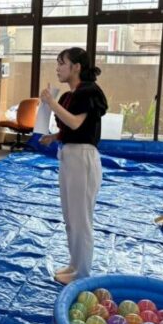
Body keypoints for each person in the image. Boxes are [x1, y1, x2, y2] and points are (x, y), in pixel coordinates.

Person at [38, 47, 108, 285]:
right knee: (70, 216)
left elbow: (77, 123)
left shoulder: (89, 91)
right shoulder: (72, 95)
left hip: (83, 158)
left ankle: (82, 272)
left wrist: (50, 102)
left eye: (62, 63)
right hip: (69, 155)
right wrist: (55, 136)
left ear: (76, 66)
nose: (57, 68)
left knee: (81, 219)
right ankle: (74, 263)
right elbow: (72, 128)